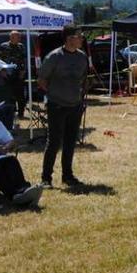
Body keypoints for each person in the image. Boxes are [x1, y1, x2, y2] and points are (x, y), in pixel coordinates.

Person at [38, 25, 89, 187]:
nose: (82, 38)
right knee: (54, 142)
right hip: (57, 105)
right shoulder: (54, 57)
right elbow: (42, 80)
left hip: (75, 105)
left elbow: (82, 78)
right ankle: (46, 178)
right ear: (69, 38)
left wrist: (78, 96)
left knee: (70, 142)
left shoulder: (82, 57)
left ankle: (67, 176)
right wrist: (56, 95)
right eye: (79, 36)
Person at [0, 31, 27, 119]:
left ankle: (21, 113)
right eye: (18, 37)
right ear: (12, 37)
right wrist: (2, 71)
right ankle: (11, 113)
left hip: (18, 74)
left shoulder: (21, 46)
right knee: (10, 95)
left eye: (19, 37)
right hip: (7, 74)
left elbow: (23, 60)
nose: (19, 39)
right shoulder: (3, 46)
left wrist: (23, 71)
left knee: (20, 95)